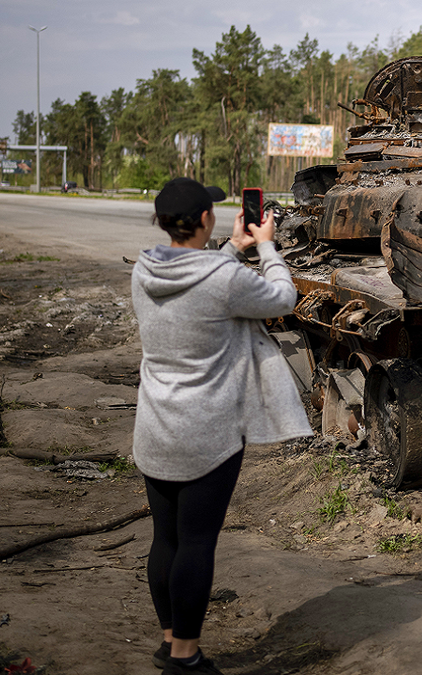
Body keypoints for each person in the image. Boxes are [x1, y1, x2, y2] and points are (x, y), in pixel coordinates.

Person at [132, 177, 312, 675]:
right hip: (207, 434)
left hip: (154, 427)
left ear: (163, 223)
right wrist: (267, 246)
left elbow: (204, 278)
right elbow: (281, 298)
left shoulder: (145, 269)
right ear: (206, 220)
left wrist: (234, 246)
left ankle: (170, 642)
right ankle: (186, 660)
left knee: (164, 539)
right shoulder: (222, 280)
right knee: (196, 543)